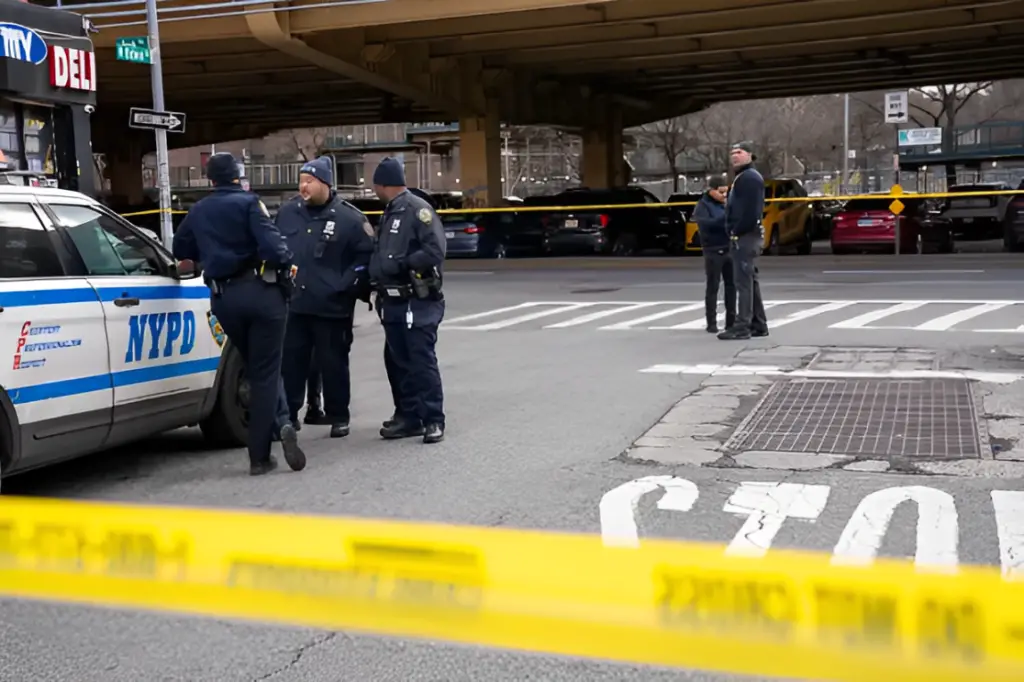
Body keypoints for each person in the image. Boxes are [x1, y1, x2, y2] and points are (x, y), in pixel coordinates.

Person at [172, 152, 306, 475]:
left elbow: (180, 249)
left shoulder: (198, 210)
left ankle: (284, 420)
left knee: (256, 367)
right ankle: (260, 456)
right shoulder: (249, 203)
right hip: (261, 295)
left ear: (211, 179)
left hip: (223, 299)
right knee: (265, 371)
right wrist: (286, 261)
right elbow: (275, 249)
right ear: (237, 176)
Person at [276, 156, 373, 438]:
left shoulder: (350, 219)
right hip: (294, 305)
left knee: (334, 363)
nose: (303, 187)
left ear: (325, 184)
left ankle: (338, 414)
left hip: (332, 307)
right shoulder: (287, 213)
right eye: (301, 182)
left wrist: (346, 286)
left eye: (309, 182)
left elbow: (365, 258)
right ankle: (290, 414)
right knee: (292, 362)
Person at [368, 158, 447, 443]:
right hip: (393, 302)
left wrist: (403, 264)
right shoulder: (390, 211)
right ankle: (409, 416)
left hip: (417, 300)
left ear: (382, 183)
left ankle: (433, 419)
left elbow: (435, 250)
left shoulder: (417, 210)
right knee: (397, 361)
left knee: (420, 361)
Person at [719, 141, 769, 341]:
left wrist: (735, 231)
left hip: (746, 236)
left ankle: (742, 326)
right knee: (750, 281)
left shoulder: (749, 178)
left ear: (750, 155)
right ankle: (759, 323)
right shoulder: (745, 177)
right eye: (732, 152)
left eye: (739, 152)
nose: (734, 156)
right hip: (748, 234)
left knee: (743, 283)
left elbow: (750, 211)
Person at [692, 175, 735, 334]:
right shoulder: (703, 206)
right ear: (711, 190)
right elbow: (707, 225)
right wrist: (726, 218)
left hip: (729, 247)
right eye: (721, 192)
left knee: (732, 286)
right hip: (713, 250)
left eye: (726, 192)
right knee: (713, 286)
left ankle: (731, 321)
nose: (724, 195)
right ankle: (711, 322)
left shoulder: (727, 204)